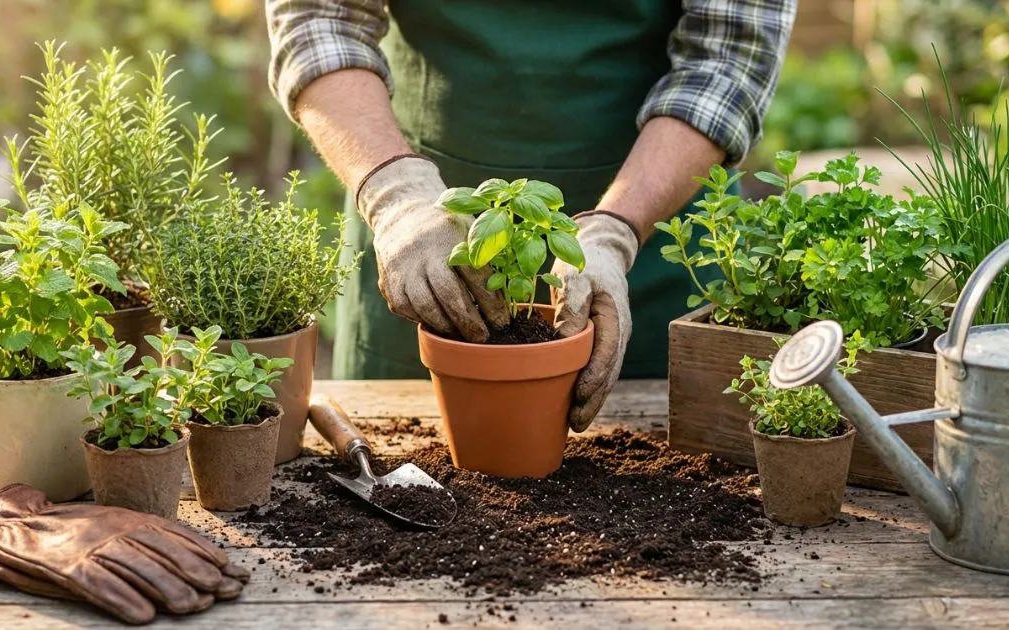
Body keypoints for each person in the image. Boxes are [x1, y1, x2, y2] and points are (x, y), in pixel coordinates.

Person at [266, 0, 797, 431]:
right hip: (426, 231)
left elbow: (729, 60)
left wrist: (615, 233)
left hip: (660, 224)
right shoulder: (411, 209)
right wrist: (396, 193)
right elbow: (319, 18)